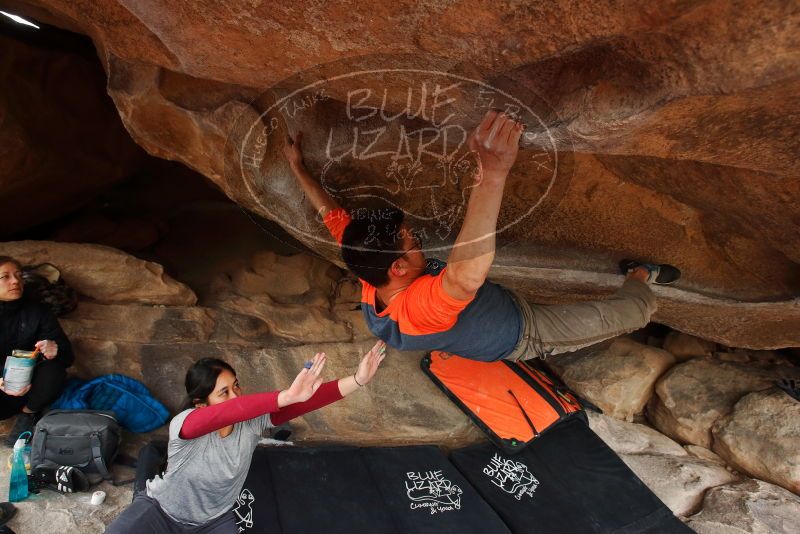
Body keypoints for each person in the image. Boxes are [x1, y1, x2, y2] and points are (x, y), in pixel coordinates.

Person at [283, 110, 680, 362]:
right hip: (527, 333)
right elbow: (463, 277)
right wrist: (492, 173)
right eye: (411, 242)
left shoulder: (366, 261)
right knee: (636, 313)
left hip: (496, 306)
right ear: (399, 266)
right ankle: (640, 274)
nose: (417, 239)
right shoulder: (417, 308)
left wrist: (298, 168)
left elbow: (330, 215)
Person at [105, 340, 386, 534]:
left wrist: (357, 380)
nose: (236, 395)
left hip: (213, 522)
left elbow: (304, 402)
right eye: (223, 392)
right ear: (201, 403)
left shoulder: (251, 421)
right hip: (161, 512)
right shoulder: (185, 424)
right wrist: (284, 395)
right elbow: (227, 413)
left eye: (236, 386)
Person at [0, 256, 74, 446]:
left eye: (18, 276)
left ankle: (28, 415)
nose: (15, 281)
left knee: (54, 370)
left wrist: (55, 349)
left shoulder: (37, 312)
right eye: (5, 277)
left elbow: (68, 357)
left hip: (29, 389)